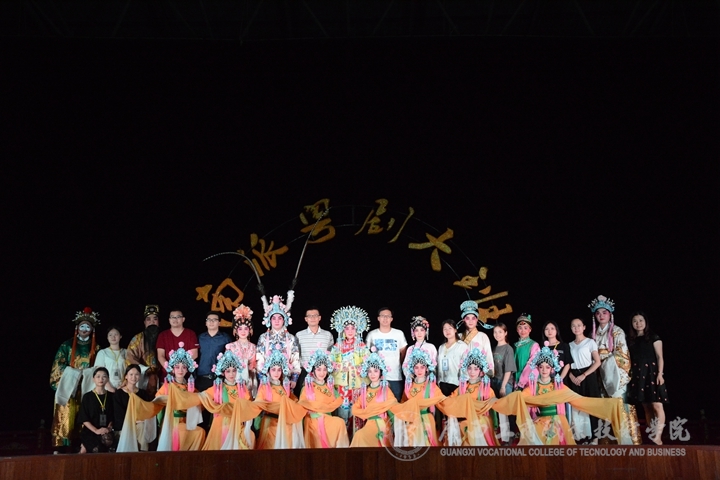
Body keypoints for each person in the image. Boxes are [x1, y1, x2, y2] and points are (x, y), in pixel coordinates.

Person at [521, 344, 633, 445]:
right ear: (537, 368)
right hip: (540, 423)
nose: (544, 370)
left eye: (547, 367)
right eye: (541, 367)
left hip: (558, 423)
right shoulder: (533, 387)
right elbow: (521, 398)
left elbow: (581, 401)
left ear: (552, 369)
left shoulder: (558, 386)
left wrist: (610, 404)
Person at [590, 295, 641, 444]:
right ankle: (606, 442)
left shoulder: (617, 331)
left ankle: (629, 442)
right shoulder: (592, 334)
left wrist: (604, 362)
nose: (601, 316)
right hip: (599, 376)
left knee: (620, 406)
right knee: (604, 408)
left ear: (610, 314)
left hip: (614, 374)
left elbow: (622, 355)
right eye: (598, 313)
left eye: (604, 312)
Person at [50, 307, 100, 451]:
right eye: (82, 326)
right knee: (65, 414)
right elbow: (58, 365)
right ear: (77, 328)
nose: (84, 330)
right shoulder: (66, 345)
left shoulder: (96, 347)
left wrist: (88, 374)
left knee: (85, 414)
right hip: (68, 387)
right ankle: (61, 446)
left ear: (92, 330)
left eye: (88, 327)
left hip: (87, 387)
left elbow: (99, 367)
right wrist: (73, 373)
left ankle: (84, 445)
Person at [438, 348, 498, 446]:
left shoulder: (486, 389)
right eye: (469, 368)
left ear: (481, 371)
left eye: (476, 369)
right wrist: (438, 399)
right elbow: (450, 400)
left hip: (480, 422)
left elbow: (494, 409)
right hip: (464, 421)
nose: (472, 372)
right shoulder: (462, 387)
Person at [201, 350, 258, 450]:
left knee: (250, 435)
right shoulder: (218, 388)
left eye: (234, 370)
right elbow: (202, 397)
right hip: (222, 423)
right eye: (228, 371)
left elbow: (248, 405)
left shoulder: (242, 388)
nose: (231, 374)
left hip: (238, 423)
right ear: (223, 373)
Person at [627, 312, 669, 445]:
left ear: (645, 322)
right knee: (646, 407)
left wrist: (660, 374)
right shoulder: (631, 340)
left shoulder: (653, 337)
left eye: (641, 320)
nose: (638, 323)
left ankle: (658, 436)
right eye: (635, 321)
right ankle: (653, 435)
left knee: (657, 405)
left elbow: (660, 357)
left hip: (652, 373)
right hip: (638, 374)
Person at [328, 305, 371, 436]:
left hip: (357, 384)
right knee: (342, 413)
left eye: (353, 328)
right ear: (343, 330)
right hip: (342, 385)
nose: (350, 331)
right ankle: (342, 438)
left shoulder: (362, 346)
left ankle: (357, 439)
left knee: (356, 412)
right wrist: (342, 366)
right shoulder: (337, 346)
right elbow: (330, 364)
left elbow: (368, 364)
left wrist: (357, 367)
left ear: (357, 330)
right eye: (347, 328)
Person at [156, 342, 205, 451]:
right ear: (173, 369)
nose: (180, 370)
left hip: (188, 421)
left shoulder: (190, 387)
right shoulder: (168, 386)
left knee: (200, 432)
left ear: (187, 369)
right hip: (173, 421)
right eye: (177, 367)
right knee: (183, 431)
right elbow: (157, 401)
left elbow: (200, 404)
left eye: (184, 367)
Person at [391, 348, 445, 446]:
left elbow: (443, 400)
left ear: (427, 368)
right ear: (412, 369)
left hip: (426, 420)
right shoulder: (409, 386)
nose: (419, 370)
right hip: (412, 420)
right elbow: (403, 404)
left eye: (422, 367)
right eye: (416, 367)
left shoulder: (431, 386)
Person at [254, 349, 307, 449]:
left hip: (285, 423)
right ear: (268, 370)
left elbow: (294, 400)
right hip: (270, 424)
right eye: (273, 369)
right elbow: (259, 403)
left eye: (279, 370)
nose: (276, 373)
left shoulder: (284, 387)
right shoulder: (265, 387)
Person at [298, 349, 349, 448]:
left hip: (327, 420)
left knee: (340, 423)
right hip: (312, 421)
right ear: (313, 371)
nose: (322, 373)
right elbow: (303, 404)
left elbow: (338, 400)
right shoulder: (307, 387)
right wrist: (323, 408)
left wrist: (322, 408)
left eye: (324, 369)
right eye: (319, 369)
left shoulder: (329, 387)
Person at [350, 352, 398, 447]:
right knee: (359, 435)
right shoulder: (365, 391)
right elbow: (355, 409)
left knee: (360, 435)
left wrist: (396, 430)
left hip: (382, 423)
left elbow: (393, 408)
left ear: (380, 372)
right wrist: (369, 412)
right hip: (369, 423)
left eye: (375, 371)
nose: (372, 374)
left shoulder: (385, 389)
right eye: (370, 371)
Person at [196, 312, 232, 431]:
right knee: (202, 410)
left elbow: (229, 358)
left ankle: (215, 435)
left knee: (217, 409)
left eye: (214, 320)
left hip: (218, 379)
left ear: (219, 322)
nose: (211, 322)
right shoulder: (200, 338)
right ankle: (203, 434)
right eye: (209, 319)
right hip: (202, 378)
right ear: (205, 322)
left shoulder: (225, 338)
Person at [567, 318, 602, 444]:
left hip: (588, 375)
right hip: (574, 376)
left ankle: (595, 437)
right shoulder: (569, 345)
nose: (576, 328)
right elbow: (566, 364)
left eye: (579, 325)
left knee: (591, 405)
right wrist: (571, 376)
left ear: (584, 327)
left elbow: (597, 362)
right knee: (577, 407)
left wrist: (584, 375)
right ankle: (581, 436)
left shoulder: (590, 342)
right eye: (573, 326)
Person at [256, 293, 301, 389]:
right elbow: (259, 359)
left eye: (280, 318)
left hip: (286, 378)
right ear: (269, 320)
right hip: (267, 379)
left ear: (284, 320)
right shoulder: (263, 337)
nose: (277, 321)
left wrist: (294, 378)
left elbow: (295, 359)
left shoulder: (291, 338)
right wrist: (262, 378)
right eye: (274, 318)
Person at [365, 308, 408, 402]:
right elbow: (366, 355)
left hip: (395, 376)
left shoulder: (399, 334)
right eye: (383, 316)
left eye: (388, 316)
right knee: (377, 404)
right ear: (378, 318)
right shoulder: (372, 335)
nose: (385, 318)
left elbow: (403, 353)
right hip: (377, 378)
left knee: (396, 403)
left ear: (391, 319)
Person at [113, 364, 155, 451]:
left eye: (136, 374)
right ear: (126, 376)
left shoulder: (143, 393)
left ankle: (143, 454)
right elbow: (118, 414)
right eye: (131, 374)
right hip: (124, 426)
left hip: (140, 425)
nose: (133, 377)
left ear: (139, 377)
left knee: (142, 426)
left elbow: (146, 410)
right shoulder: (119, 394)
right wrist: (134, 421)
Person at [295, 307, 334, 397]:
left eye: (315, 315)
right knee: (306, 399)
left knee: (323, 398)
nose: (312, 318)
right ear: (306, 319)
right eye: (310, 316)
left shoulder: (327, 335)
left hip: (323, 373)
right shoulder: (299, 335)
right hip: (305, 373)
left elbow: (331, 355)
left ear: (319, 318)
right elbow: (296, 356)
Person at [125, 305, 161, 395]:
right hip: (142, 379)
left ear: (158, 321)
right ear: (144, 322)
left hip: (162, 378)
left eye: (155, 319)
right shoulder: (137, 339)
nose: (152, 322)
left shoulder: (164, 337)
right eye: (148, 319)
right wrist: (148, 372)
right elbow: (130, 359)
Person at [78, 367, 114, 453]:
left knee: (110, 444)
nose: (101, 379)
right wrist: (96, 430)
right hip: (91, 430)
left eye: (104, 376)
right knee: (93, 449)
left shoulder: (112, 396)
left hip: (106, 430)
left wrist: (108, 428)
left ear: (108, 379)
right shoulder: (87, 397)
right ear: (93, 379)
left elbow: (114, 415)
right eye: (98, 376)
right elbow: (84, 418)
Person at [225, 304, 258, 397]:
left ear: (250, 330)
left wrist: (250, 368)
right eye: (240, 329)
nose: (243, 331)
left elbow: (254, 365)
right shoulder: (230, 347)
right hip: (234, 379)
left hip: (250, 380)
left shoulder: (254, 347)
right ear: (236, 331)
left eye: (246, 329)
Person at [491, 323, 516, 444]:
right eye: (495, 332)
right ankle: (502, 436)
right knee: (499, 411)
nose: (497, 334)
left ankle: (510, 437)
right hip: (494, 381)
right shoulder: (494, 349)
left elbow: (508, 370)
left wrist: (503, 386)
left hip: (505, 383)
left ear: (505, 333)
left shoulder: (508, 349)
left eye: (500, 332)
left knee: (507, 411)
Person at [157, 310, 199, 380]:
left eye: (178, 317)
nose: (175, 319)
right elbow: (160, 356)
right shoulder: (162, 335)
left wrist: (181, 369)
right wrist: (170, 369)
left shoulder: (191, 334)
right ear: (169, 320)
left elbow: (194, 354)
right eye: (172, 317)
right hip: (168, 376)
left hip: (185, 376)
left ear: (183, 319)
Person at [458, 300, 495, 376]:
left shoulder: (483, 336)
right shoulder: (459, 336)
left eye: (473, 318)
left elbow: (488, 356)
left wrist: (489, 372)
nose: (470, 321)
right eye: (467, 318)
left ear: (477, 319)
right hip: (462, 375)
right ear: (463, 320)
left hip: (478, 374)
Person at [437, 319, 469, 397]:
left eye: (450, 328)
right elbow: (438, 366)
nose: (447, 331)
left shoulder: (462, 346)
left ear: (455, 330)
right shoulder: (441, 347)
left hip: (456, 383)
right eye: (445, 329)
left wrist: (463, 383)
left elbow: (465, 366)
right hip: (442, 383)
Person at [93, 326, 126, 392]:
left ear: (120, 336)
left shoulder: (126, 352)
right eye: (110, 335)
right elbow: (99, 372)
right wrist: (110, 388)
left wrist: (123, 385)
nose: (113, 337)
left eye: (116, 334)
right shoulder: (103, 352)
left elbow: (130, 370)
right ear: (107, 337)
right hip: (105, 388)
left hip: (123, 388)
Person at [514, 313, 540, 390]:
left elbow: (532, 364)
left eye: (525, 328)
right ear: (517, 330)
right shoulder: (514, 346)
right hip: (515, 380)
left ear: (530, 329)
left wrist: (522, 381)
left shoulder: (534, 345)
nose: (523, 331)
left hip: (528, 381)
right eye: (520, 328)